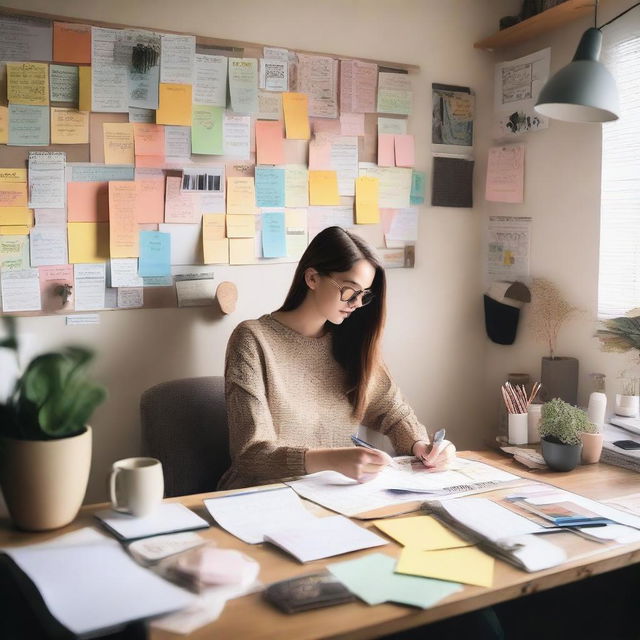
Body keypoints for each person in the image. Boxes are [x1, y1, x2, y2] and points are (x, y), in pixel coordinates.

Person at [218, 226, 455, 490]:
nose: (356, 303)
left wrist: (421, 446)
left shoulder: (350, 342)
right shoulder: (252, 339)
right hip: (261, 497)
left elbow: (393, 413)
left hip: (331, 495)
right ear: (312, 278)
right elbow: (250, 455)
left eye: (364, 295)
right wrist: (332, 459)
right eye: (349, 290)